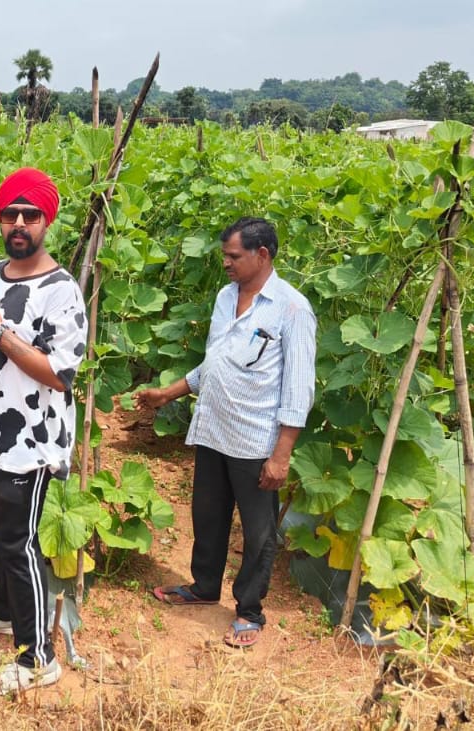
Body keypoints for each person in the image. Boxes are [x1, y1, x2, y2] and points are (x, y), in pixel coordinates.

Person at [135, 216, 316, 649]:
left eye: (233, 257)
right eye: (224, 256)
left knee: (258, 532)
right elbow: (215, 363)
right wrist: (169, 393)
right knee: (208, 516)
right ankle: (203, 587)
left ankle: (249, 610)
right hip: (214, 428)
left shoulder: (292, 309)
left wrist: (281, 454)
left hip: (256, 438)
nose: (226, 264)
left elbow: (298, 387)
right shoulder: (224, 297)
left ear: (262, 255)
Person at [0, 167, 87, 693]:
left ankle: (39, 659)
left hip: (29, 442)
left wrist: (0, 332)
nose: (19, 222)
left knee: (20, 543)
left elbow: (59, 372)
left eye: (31, 215)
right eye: (11, 213)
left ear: (46, 222)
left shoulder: (61, 290)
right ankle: (6, 612)